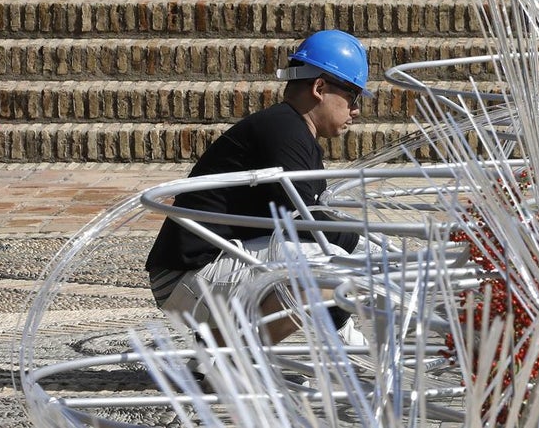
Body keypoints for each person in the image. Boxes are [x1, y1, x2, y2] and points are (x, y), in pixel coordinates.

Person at [145, 29, 371, 344]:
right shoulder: (284, 130)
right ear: (319, 87)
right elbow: (304, 223)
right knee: (329, 267)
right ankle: (237, 364)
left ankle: (215, 351)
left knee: (332, 261)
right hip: (189, 276)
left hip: (187, 272)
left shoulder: (288, 129)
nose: (355, 110)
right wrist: (363, 245)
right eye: (352, 96)